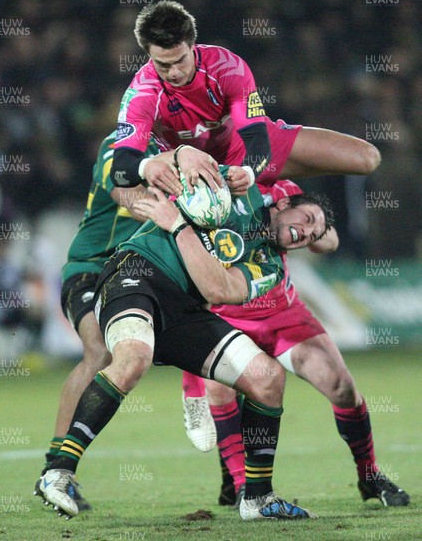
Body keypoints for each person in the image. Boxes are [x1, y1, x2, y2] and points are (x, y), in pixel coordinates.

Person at [38, 166, 334, 522]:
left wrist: (177, 225)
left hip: (185, 309)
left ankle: (257, 498)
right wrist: (188, 156)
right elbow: (184, 162)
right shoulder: (238, 188)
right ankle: (58, 471)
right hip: (135, 275)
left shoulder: (268, 267)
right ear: (285, 201)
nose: (304, 232)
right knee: (133, 358)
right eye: (307, 218)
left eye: (312, 235)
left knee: (268, 376)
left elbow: (217, 290)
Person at [182, 179, 410, 509]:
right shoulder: (211, 186)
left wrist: (313, 228)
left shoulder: (280, 191)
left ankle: (370, 476)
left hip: (282, 312)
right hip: (224, 316)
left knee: (341, 386)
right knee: (221, 389)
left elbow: (328, 242)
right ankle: (242, 484)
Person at [109, 0, 381, 198]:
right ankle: (265, 194)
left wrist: (249, 173)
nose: (174, 72)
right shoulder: (142, 93)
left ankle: (268, 184)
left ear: (193, 45)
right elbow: (120, 170)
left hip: (246, 152)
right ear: (148, 54)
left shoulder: (227, 68)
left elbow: (257, 139)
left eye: (180, 60)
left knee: (365, 158)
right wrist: (147, 167)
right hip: (193, 174)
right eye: (163, 65)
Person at [34, 131, 172, 509]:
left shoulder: (184, 148)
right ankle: (54, 469)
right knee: (99, 353)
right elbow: (120, 191)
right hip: (90, 268)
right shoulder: (121, 144)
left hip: (136, 272)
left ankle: (235, 474)